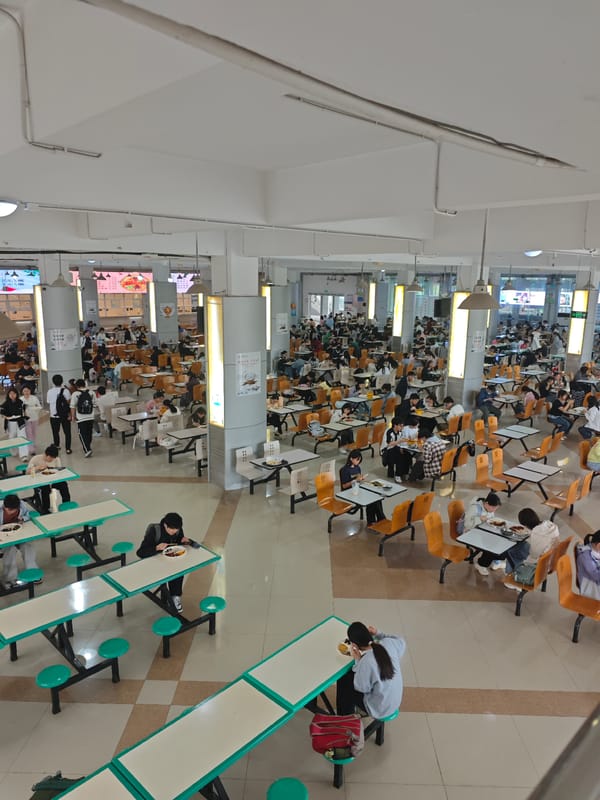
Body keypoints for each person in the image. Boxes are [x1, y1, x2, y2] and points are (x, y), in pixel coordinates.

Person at [336, 621, 405, 718]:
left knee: (344, 680)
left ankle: (344, 718)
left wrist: (358, 661)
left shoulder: (366, 662)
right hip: (395, 702)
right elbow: (401, 641)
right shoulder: (389, 642)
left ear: (354, 646)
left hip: (380, 710)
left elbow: (361, 688)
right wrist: (378, 633)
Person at [136, 513, 191, 612]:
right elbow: (140, 552)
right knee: (172, 572)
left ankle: (175, 596)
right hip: (154, 562)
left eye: (176, 529)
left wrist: (185, 541)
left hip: (170, 560)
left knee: (178, 571)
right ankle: (169, 595)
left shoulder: (178, 530)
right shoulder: (154, 531)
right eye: (171, 529)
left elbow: (178, 544)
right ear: (165, 525)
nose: (174, 532)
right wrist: (156, 548)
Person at [504, 508, 559, 589]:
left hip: (541, 565)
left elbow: (533, 556)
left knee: (511, 551)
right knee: (522, 546)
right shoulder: (550, 525)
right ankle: (513, 571)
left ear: (525, 524)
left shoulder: (536, 534)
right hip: (553, 558)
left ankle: (513, 576)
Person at [0, 494, 40, 589]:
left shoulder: (21, 504)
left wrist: (23, 519)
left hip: (18, 533)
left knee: (28, 547)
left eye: (13, 510)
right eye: (9, 510)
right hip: (4, 537)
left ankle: (32, 572)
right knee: (10, 550)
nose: (11, 512)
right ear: (4, 506)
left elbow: (27, 515)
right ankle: (10, 579)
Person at [339, 449, 385, 525]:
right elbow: (344, 486)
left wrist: (361, 479)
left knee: (376, 497)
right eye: (357, 459)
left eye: (359, 460)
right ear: (351, 458)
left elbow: (358, 480)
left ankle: (381, 519)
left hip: (358, 488)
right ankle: (372, 521)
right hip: (349, 491)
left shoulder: (357, 468)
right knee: (371, 500)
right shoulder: (344, 470)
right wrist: (355, 480)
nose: (358, 462)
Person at [464, 492, 504, 576]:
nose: (494, 510)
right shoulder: (474, 508)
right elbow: (467, 524)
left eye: (496, 508)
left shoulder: (489, 509)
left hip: (482, 532)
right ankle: (481, 564)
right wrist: (479, 519)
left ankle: (495, 560)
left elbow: (491, 519)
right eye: (493, 508)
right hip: (470, 533)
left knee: (500, 539)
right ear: (486, 503)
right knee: (490, 543)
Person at [27, 445, 72, 514]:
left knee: (63, 484)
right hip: (40, 481)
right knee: (45, 489)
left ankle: (66, 503)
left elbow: (59, 471)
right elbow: (27, 472)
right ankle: (45, 508)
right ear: (46, 454)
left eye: (53, 458)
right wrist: (37, 468)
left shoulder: (56, 459)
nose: (52, 460)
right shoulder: (35, 459)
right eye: (51, 458)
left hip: (53, 480)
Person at [0, 387, 29, 461]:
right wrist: (6, 417)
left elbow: (24, 411)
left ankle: (24, 455)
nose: (12, 395)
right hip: (11, 422)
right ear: (8, 395)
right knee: (12, 437)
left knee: (22, 437)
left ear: (16, 394)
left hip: (20, 422)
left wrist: (25, 416)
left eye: (14, 393)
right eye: (10, 394)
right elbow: (2, 413)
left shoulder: (21, 402)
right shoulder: (5, 403)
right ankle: (14, 452)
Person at [70, 379, 96, 457]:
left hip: (81, 418)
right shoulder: (92, 392)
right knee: (89, 433)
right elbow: (95, 404)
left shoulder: (75, 394)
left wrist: (73, 417)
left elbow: (72, 406)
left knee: (82, 434)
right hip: (91, 416)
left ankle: (87, 449)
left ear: (77, 386)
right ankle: (88, 446)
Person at [47, 374, 72, 454]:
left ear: (53, 382)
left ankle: (57, 445)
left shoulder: (50, 391)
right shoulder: (66, 391)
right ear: (62, 381)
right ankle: (68, 448)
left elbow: (48, 402)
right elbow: (68, 403)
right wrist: (70, 414)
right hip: (64, 415)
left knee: (55, 432)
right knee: (67, 432)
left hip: (54, 415)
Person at [382, 418, 412, 483]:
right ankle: (398, 475)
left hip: (395, 447)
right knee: (400, 456)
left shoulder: (399, 432)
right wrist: (400, 441)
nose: (402, 428)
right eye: (401, 426)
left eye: (403, 426)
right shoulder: (389, 432)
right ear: (395, 425)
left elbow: (400, 442)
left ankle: (405, 472)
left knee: (407, 454)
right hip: (387, 450)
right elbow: (389, 444)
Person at [575, 531, 600, 600]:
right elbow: (596, 576)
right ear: (598, 545)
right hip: (591, 587)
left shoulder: (595, 550)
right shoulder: (585, 557)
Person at [20, 385, 42, 456]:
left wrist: (33, 408)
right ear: (22, 391)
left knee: (34, 432)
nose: (26, 392)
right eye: (25, 391)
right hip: (26, 419)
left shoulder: (34, 398)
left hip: (35, 418)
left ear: (30, 391)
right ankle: (31, 449)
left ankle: (32, 443)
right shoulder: (21, 399)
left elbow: (39, 407)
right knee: (29, 433)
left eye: (28, 391)